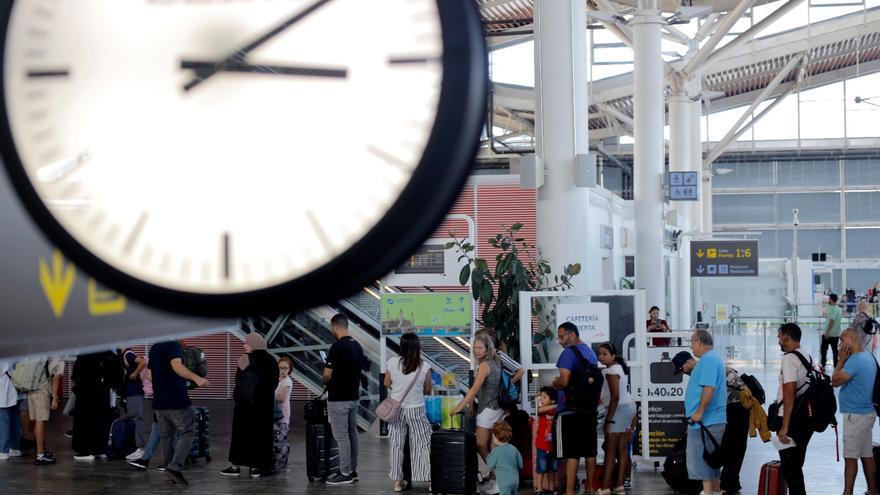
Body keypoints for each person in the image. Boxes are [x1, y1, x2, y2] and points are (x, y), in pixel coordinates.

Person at [672, 350, 752, 494]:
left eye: (682, 369)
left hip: (735, 408)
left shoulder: (705, 370)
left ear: (689, 362)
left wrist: (698, 415)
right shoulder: (706, 369)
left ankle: (725, 485)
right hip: (733, 409)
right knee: (730, 448)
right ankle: (726, 484)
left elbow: (708, 395)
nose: (684, 373)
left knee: (731, 448)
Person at [148, 340, 210, 486]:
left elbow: (149, 375)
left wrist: (162, 380)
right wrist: (197, 378)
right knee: (188, 431)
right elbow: (176, 365)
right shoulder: (174, 346)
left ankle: (170, 473)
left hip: (159, 402)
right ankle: (174, 467)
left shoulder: (155, 347)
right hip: (176, 400)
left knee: (167, 438)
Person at [451, 331, 504, 494]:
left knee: (481, 445)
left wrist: (460, 406)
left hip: (487, 409)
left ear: (488, 348)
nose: (477, 351)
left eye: (480, 348)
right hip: (497, 408)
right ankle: (497, 481)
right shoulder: (495, 363)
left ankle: (499, 481)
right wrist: (473, 404)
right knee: (491, 446)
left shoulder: (484, 365)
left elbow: (475, 388)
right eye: (475, 348)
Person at [551, 321, 600, 495]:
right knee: (589, 451)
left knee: (572, 453)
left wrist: (554, 382)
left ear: (572, 335)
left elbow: (564, 381)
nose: (561, 341)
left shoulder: (568, 353)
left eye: (561, 337)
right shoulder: (590, 353)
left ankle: (570, 491)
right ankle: (589, 489)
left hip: (570, 409)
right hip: (589, 409)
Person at [222, 333, 279, 478]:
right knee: (260, 435)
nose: (244, 345)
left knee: (241, 434)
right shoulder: (271, 361)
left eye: (246, 343)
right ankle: (256, 468)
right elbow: (274, 384)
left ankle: (235, 467)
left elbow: (237, 381)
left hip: (244, 406)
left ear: (253, 343)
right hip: (263, 407)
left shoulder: (244, 359)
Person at [831, 328, 878, 495]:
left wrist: (840, 360)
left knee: (850, 458)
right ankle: (873, 489)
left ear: (851, 339)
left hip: (856, 416)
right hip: (867, 414)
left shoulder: (854, 361)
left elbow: (835, 381)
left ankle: (847, 492)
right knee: (866, 454)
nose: (840, 345)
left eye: (842, 340)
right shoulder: (868, 356)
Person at [385, 333, 433, 492]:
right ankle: (428, 479)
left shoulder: (392, 362)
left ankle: (398, 482)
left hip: (396, 410)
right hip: (416, 409)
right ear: (417, 347)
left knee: (396, 444)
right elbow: (427, 389)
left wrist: (398, 390)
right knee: (423, 443)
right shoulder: (424, 366)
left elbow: (387, 382)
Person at [323, 314, 365, 485]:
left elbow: (327, 374)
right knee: (352, 433)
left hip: (338, 398)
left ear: (335, 326)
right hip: (353, 397)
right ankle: (352, 470)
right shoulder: (358, 346)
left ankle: (344, 472)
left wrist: (325, 380)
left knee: (341, 436)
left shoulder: (337, 347)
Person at [683, 329, 726, 495]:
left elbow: (709, 388)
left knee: (704, 461)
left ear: (699, 342)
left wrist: (699, 412)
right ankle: (714, 491)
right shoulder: (713, 358)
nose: (691, 347)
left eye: (692, 342)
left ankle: (708, 492)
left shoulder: (708, 360)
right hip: (710, 420)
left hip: (705, 421)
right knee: (711, 461)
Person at [774, 323, 813, 495]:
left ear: (787, 337)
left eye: (779, 336)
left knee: (791, 471)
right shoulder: (806, 355)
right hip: (805, 419)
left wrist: (785, 426)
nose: (778, 340)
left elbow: (789, 392)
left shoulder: (789, 359)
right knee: (796, 466)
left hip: (791, 421)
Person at [596, 342, 636, 495]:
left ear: (613, 355)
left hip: (619, 409)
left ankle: (605, 487)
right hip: (628, 407)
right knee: (622, 449)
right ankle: (619, 485)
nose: (601, 356)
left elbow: (615, 397)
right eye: (599, 353)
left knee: (610, 451)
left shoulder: (611, 371)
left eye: (605, 353)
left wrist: (608, 420)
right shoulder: (617, 367)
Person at [71, 350, 124, 461]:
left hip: (85, 394)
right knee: (101, 421)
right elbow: (117, 374)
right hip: (102, 393)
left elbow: (76, 375)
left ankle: (85, 451)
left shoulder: (85, 355)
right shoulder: (108, 354)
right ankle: (99, 449)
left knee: (85, 421)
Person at [19, 355, 64, 465]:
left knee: (36, 422)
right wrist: (54, 398)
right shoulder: (56, 357)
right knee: (40, 422)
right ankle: (40, 455)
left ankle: (41, 450)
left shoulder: (39, 352)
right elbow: (56, 378)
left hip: (31, 391)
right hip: (42, 392)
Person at [121, 347, 148, 460]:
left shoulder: (128, 354)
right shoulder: (127, 354)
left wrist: (135, 373)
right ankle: (137, 447)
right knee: (134, 418)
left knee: (137, 419)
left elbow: (143, 362)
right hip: (132, 392)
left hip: (133, 392)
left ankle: (141, 449)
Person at [486, 421, 523, 495]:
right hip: (515, 480)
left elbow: (489, 466)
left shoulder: (496, 451)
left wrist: (489, 456)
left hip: (504, 481)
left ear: (494, 437)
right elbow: (520, 464)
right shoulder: (514, 448)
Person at [534, 386, 557, 495]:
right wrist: (539, 399)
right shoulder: (542, 411)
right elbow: (538, 409)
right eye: (541, 397)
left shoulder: (555, 412)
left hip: (553, 446)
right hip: (542, 446)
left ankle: (552, 489)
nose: (541, 399)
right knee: (541, 468)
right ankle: (539, 489)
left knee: (552, 469)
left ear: (552, 400)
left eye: (544, 397)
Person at [273, 356, 293, 472]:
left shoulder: (287, 382)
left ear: (289, 369)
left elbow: (281, 398)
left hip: (282, 413)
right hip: (275, 412)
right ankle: (276, 461)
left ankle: (282, 462)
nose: (282, 371)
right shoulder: (276, 379)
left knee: (282, 439)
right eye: (280, 368)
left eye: (285, 368)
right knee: (275, 438)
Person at [0, 359, 22, 460]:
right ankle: (15, 448)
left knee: (4, 422)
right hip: (13, 390)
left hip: (4, 392)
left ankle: (3, 450)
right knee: (14, 420)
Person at [822, 293, 842, 368]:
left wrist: (827, 332)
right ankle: (836, 365)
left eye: (829, 298)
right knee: (835, 351)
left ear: (831, 299)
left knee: (824, 350)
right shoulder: (838, 309)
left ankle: (823, 365)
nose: (828, 300)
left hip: (829, 334)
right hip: (836, 334)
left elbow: (831, 321)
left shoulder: (833, 309)